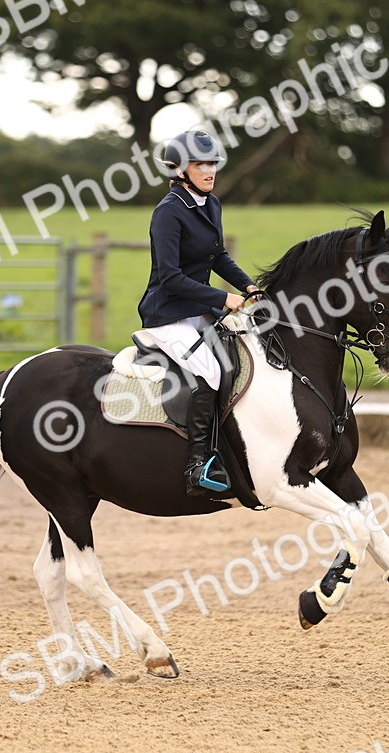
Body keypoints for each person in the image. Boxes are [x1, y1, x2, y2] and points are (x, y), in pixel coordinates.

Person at [137, 130, 259, 496]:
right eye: (200, 164)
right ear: (179, 169)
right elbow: (171, 278)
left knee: (245, 352)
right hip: (168, 314)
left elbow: (218, 256)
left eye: (213, 164)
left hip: (197, 308)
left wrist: (249, 286)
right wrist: (223, 299)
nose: (210, 171)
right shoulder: (168, 212)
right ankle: (197, 465)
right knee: (211, 371)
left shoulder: (211, 204)